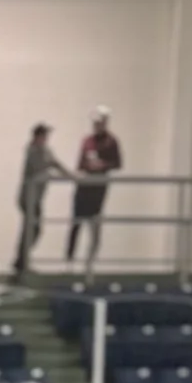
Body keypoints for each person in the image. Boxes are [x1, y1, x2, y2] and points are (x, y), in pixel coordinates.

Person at [64, 110, 121, 269]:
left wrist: (103, 165)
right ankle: (69, 263)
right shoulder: (87, 141)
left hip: (98, 190)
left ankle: (89, 264)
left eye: (99, 122)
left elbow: (117, 163)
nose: (96, 126)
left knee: (94, 227)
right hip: (83, 189)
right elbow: (80, 163)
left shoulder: (111, 142)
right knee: (76, 224)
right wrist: (87, 166)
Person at [14, 125, 66, 278]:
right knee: (32, 229)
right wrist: (49, 172)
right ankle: (21, 261)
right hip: (28, 197)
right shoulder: (32, 151)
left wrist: (70, 175)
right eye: (44, 136)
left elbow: (55, 163)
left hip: (37, 198)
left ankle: (21, 261)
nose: (46, 139)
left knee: (32, 229)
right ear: (37, 136)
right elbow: (39, 169)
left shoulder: (45, 150)